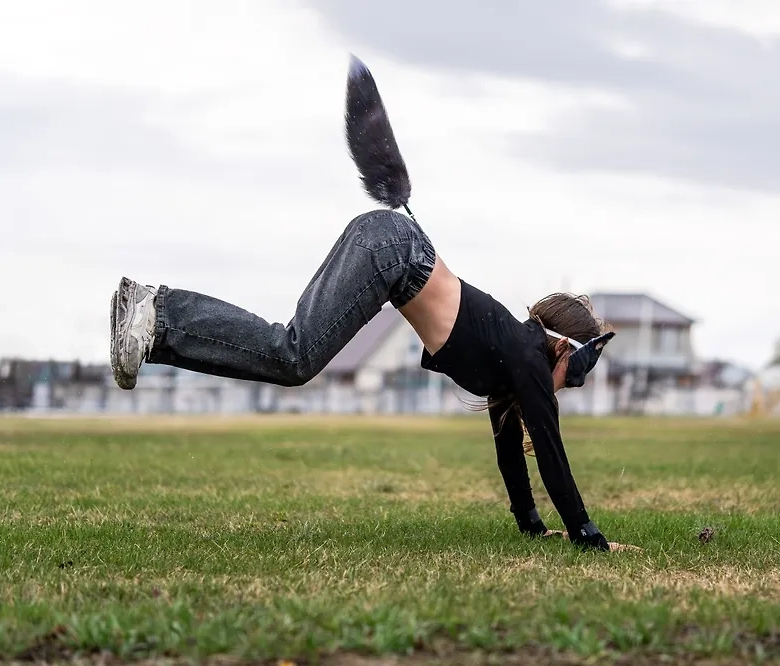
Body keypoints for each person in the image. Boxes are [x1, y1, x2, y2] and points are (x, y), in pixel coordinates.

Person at [110, 55, 638, 553]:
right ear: (561, 347)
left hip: (388, 247)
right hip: (391, 251)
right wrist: (588, 537)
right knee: (293, 356)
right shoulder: (526, 353)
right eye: (576, 375)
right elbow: (551, 452)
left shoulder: (512, 368)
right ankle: (156, 313)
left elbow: (511, 451)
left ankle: (152, 329)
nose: (569, 388)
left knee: (292, 354)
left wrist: (532, 527)